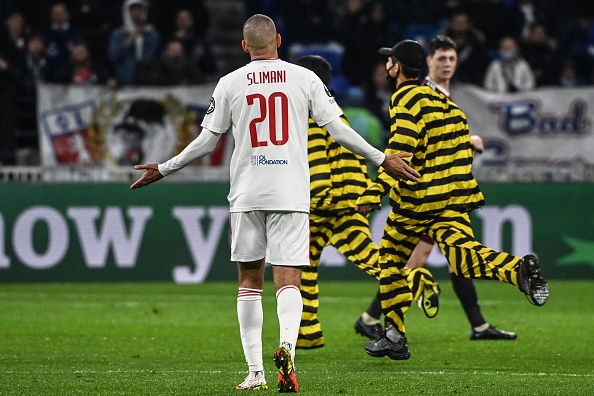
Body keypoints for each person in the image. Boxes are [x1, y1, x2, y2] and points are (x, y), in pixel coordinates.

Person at [130, 14, 420, 392]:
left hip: (248, 193)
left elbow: (207, 142)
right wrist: (382, 158)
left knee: (250, 283)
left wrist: (164, 169)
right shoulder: (305, 78)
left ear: (244, 46)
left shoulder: (230, 82)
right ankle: (287, 350)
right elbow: (339, 130)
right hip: (292, 193)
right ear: (279, 40)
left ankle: (255, 372)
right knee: (289, 282)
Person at [356, 39, 549, 360]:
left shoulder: (405, 99)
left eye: (390, 60)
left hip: (418, 202)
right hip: (453, 197)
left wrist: (375, 191)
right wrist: (460, 197)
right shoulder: (448, 104)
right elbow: (462, 151)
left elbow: (398, 153)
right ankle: (517, 269)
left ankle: (393, 333)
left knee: (389, 260)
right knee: (463, 259)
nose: (387, 65)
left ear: (397, 67)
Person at [293, 54, 381, 350]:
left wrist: (319, 199)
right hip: (352, 199)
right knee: (371, 260)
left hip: (326, 207)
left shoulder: (309, 114)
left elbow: (318, 164)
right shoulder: (335, 110)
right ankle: (307, 335)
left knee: (300, 266)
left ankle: (307, 332)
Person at [107, 0, 160, 85]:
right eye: (133, 10)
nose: (136, 13)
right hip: (124, 81)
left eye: (139, 10)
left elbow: (150, 57)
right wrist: (129, 41)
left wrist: (142, 37)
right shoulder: (118, 34)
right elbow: (114, 56)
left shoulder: (151, 34)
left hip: (147, 82)